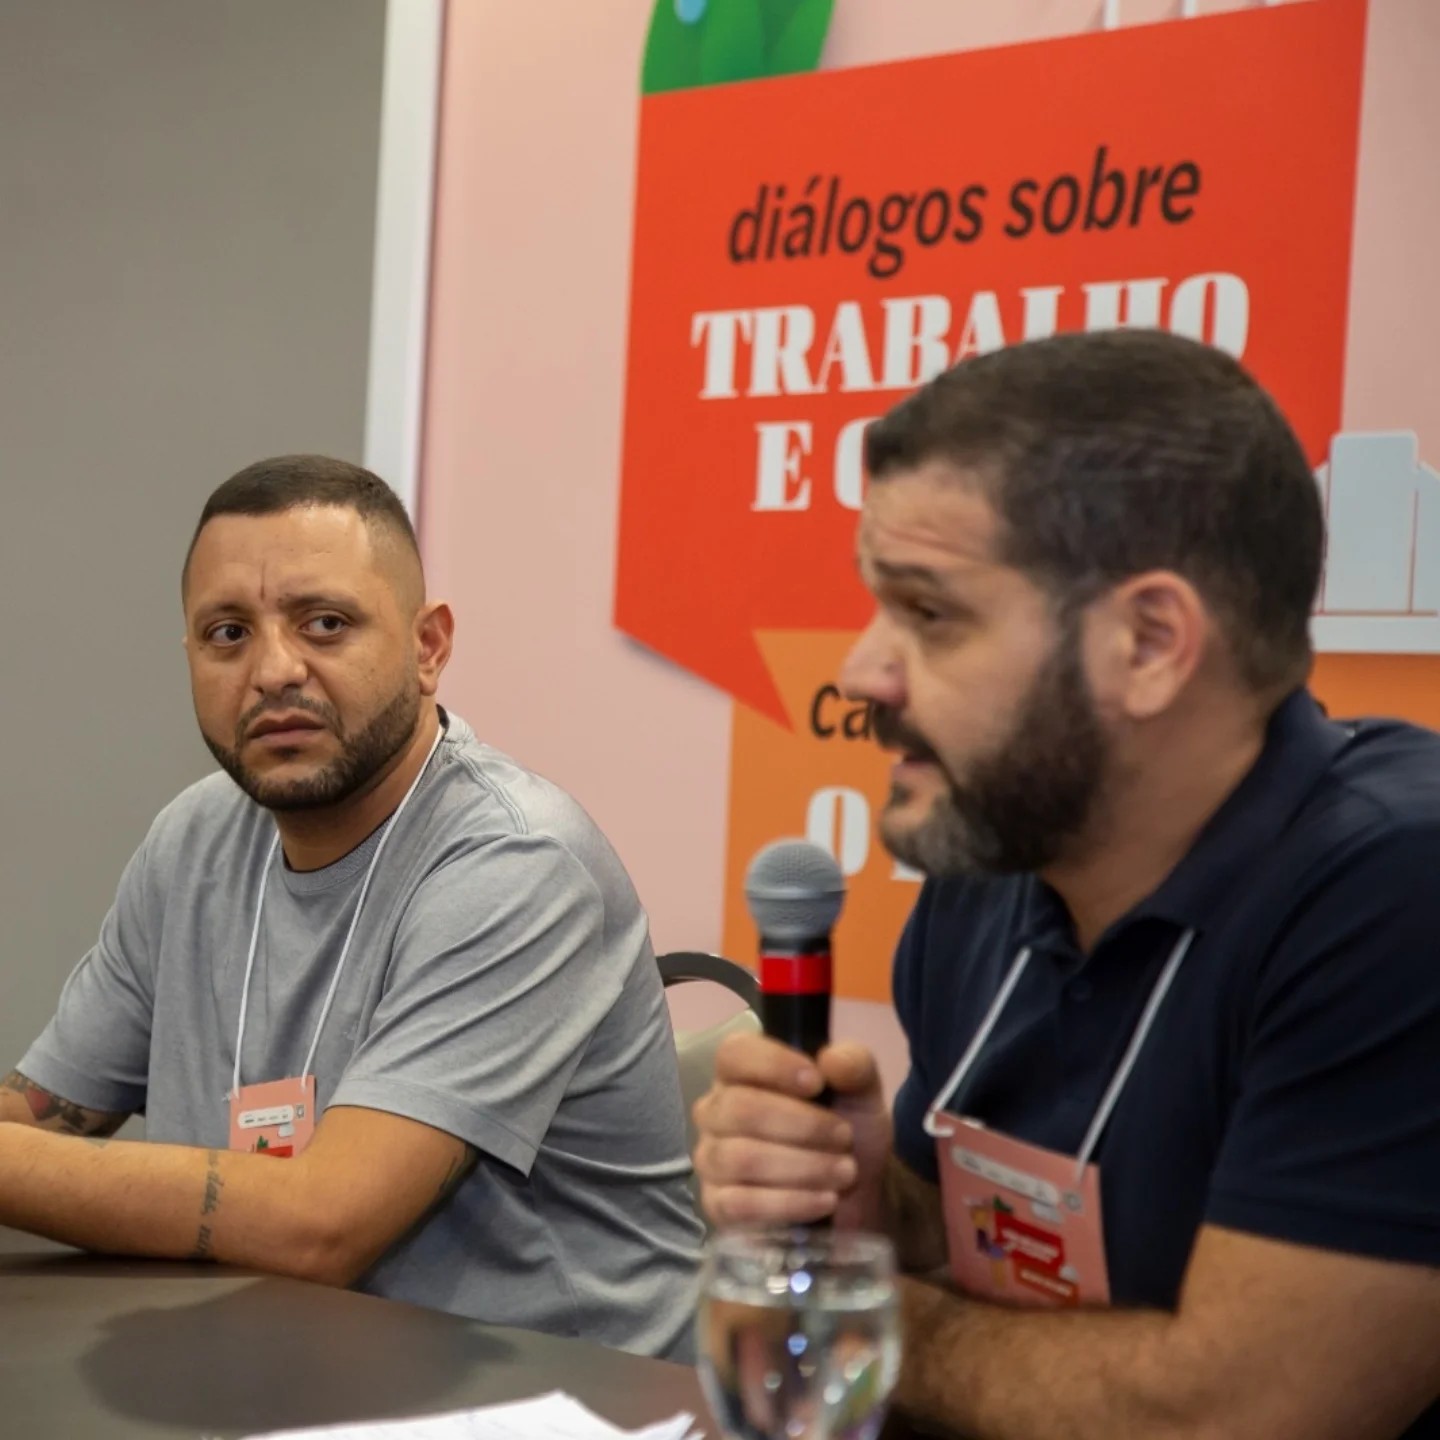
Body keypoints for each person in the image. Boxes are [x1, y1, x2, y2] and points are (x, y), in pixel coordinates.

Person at [693, 331, 1440, 1437]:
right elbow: (990, 1242)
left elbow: (1235, 1415)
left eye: (930, 613)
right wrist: (869, 1213)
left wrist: (858, 1320)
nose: (862, 671)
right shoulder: (996, 855)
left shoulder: (1394, 889)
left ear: (1149, 643)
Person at [0, 454, 702, 1359]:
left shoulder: (517, 859)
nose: (273, 670)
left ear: (428, 648)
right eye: (227, 634)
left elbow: (324, 1225)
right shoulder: (194, 840)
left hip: (562, 1396)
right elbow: (45, 1118)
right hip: (282, 1370)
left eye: (324, 624)